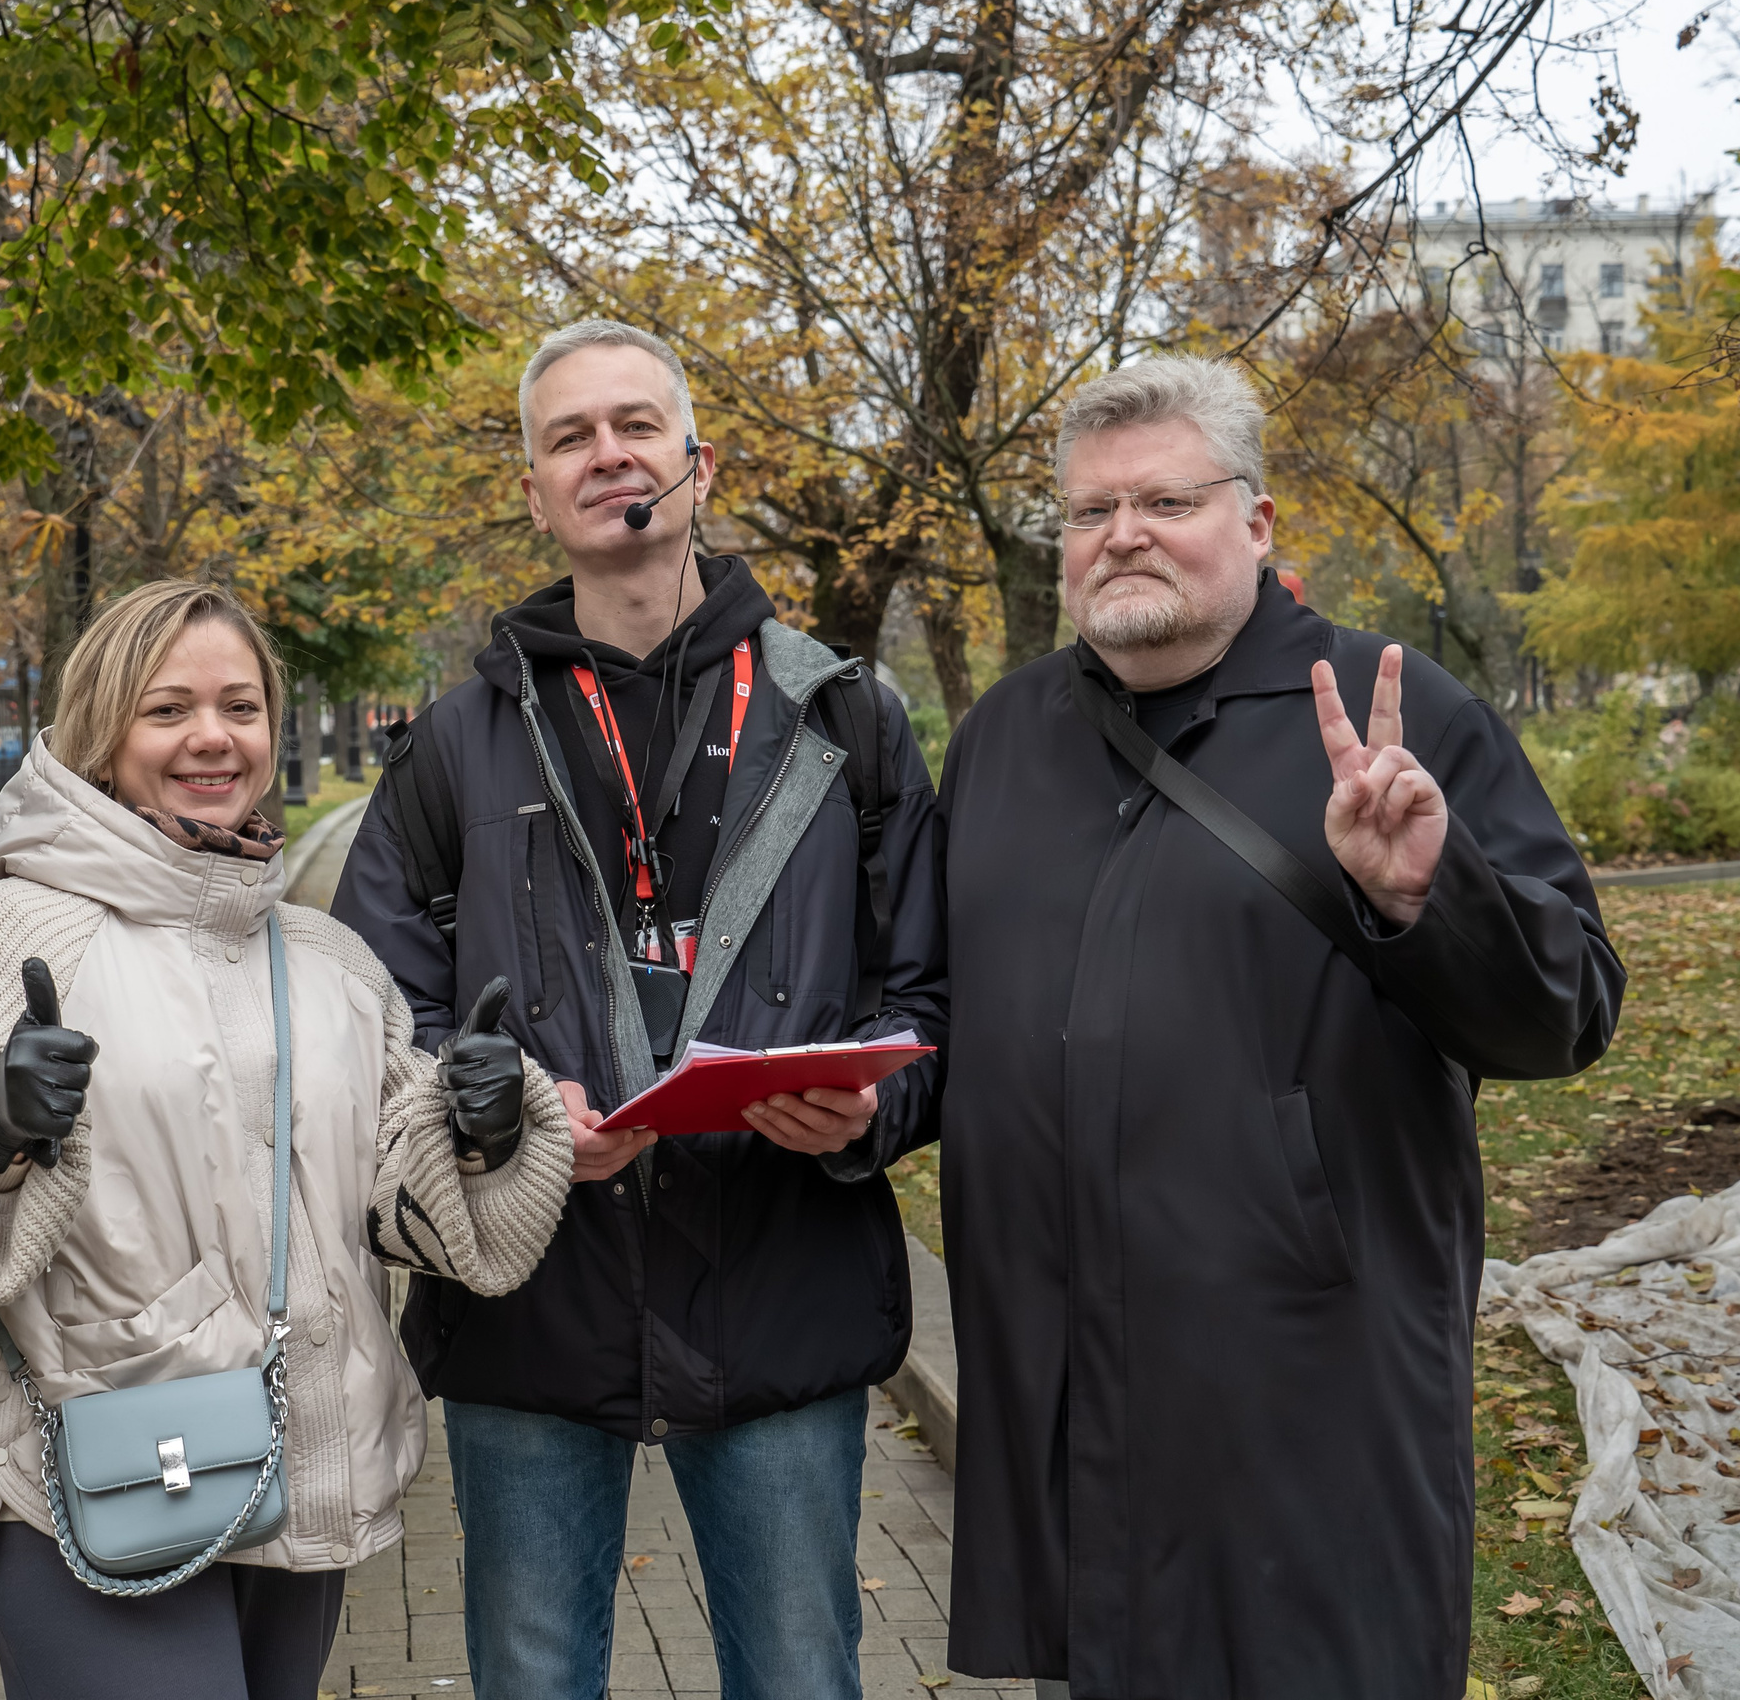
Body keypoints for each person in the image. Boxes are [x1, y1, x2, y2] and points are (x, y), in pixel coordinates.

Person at [935, 357, 1626, 1700]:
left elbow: (1568, 1010)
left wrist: (1430, 895)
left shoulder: (1391, 708)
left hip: (1303, 1378)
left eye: (1166, 499)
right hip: (1064, 1377)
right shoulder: (1006, 738)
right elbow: (933, 1009)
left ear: (1255, 523)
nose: (1121, 533)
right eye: (1088, 512)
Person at [329, 319, 949, 1700]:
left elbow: (930, 990)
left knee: (801, 1677)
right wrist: (492, 1122)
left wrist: (870, 1110)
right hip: (530, 1298)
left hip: (782, 1287)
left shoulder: (846, 717)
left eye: (635, 425)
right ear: (537, 494)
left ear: (697, 465)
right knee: (533, 1679)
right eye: (569, 436)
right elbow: (372, 1012)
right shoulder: (451, 745)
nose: (608, 453)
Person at [0, 578, 575, 1700]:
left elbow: (394, 1205)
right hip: (83, 1464)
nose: (210, 737)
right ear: (103, 728)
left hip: (299, 1449)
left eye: (240, 705)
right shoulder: (15, 928)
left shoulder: (327, 958)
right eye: (167, 707)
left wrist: (477, 1132)